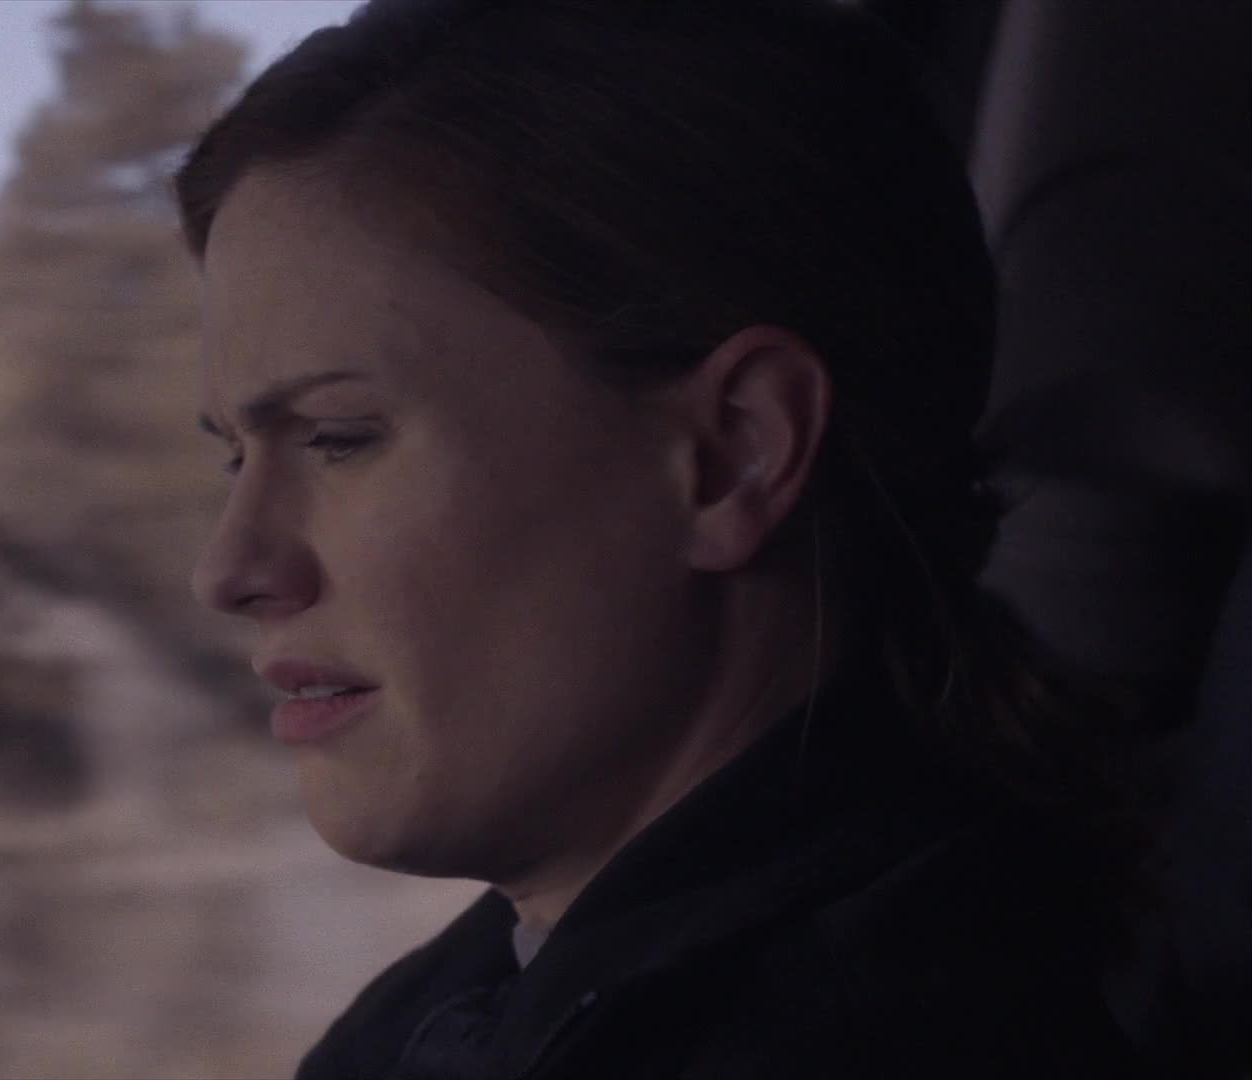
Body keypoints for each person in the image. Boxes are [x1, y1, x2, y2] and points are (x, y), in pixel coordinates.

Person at [175, 0, 1142, 1076]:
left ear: (735, 452)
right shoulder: (488, 996)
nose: (230, 570)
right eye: (235, 456)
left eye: (338, 437)